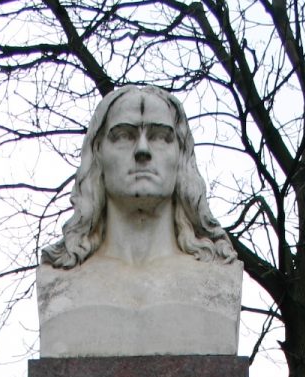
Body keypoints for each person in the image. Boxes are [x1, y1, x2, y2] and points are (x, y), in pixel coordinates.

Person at [37, 85, 242, 355]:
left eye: (160, 136)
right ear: (97, 153)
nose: (142, 150)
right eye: (124, 135)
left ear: (181, 156)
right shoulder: (58, 284)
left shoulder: (217, 282)